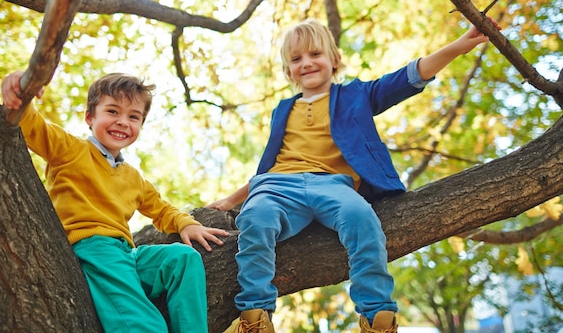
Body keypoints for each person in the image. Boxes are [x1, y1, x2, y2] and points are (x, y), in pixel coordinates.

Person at [207, 18, 501, 333]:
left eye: (315, 54)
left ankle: (378, 318)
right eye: (296, 59)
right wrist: (231, 201)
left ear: (334, 60)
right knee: (255, 218)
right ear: (287, 71)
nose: (306, 63)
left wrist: (461, 44)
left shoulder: (354, 95)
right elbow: (268, 166)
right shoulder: (283, 109)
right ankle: (255, 317)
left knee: (362, 218)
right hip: (279, 187)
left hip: (335, 186)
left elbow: (407, 77)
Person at [1, 71, 229, 333]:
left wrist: (186, 224)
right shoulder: (70, 150)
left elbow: (161, 208)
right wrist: (22, 88)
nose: (123, 122)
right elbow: (32, 125)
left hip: (126, 253)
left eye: (133, 116)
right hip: (91, 248)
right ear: (90, 117)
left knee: (183, 258)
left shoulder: (132, 177)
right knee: (143, 323)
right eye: (112, 111)